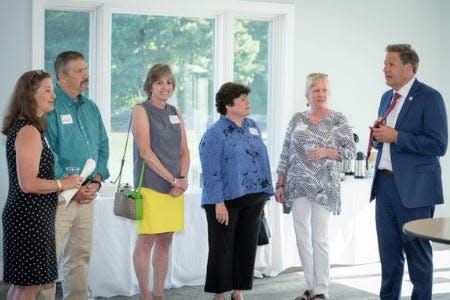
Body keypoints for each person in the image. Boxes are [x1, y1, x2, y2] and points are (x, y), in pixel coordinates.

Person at [369, 44, 448, 300]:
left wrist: (397, 136)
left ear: (408, 67)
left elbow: (438, 145)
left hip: (415, 190)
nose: (385, 69)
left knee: (418, 259)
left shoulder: (430, 97)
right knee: (389, 258)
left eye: (390, 64)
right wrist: (379, 136)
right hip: (384, 185)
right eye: (385, 63)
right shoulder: (385, 97)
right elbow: (386, 141)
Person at [1, 70, 83, 300]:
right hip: (29, 218)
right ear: (29, 95)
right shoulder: (28, 131)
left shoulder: (31, 128)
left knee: (26, 285)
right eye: (47, 90)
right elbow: (28, 184)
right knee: (28, 286)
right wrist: (63, 183)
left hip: (32, 217)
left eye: (53, 90)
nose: (53, 95)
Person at [275, 73, 356, 300]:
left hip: (324, 186)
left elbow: (350, 152)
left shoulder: (338, 119)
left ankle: (322, 289)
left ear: (328, 93)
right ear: (307, 94)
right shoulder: (297, 119)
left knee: (319, 238)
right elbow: (285, 152)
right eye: (315, 90)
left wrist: (326, 151)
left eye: (324, 90)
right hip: (297, 184)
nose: (320, 94)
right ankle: (310, 287)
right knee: (302, 236)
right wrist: (280, 182)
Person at [39, 51, 110, 300]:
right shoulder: (50, 108)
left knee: (80, 256)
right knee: (48, 260)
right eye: (79, 71)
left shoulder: (91, 108)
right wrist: (71, 188)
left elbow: (102, 146)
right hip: (59, 197)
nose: (86, 75)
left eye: (86, 69)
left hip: (88, 194)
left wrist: (97, 181)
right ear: (62, 76)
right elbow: (48, 153)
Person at [199, 82, 274, 300]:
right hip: (225, 200)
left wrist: (266, 192)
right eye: (242, 99)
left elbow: (263, 158)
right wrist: (217, 202)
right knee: (222, 248)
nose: (247, 102)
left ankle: (238, 292)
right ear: (229, 105)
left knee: (246, 246)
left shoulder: (252, 125)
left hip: (254, 197)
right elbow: (210, 170)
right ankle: (220, 294)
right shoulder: (214, 134)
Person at [131, 64, 189, 300]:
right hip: (151, 186)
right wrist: (173, 179)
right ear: (150, 86)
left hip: (175, 189)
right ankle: (145, 294)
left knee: (166, 239)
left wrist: (182, 180)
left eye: (169, 83)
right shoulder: (140, 110)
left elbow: (184, 150)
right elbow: (145, 152)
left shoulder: (175, 111)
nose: (165, 87)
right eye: (159, 83)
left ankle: (159, 293)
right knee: (146, 240)